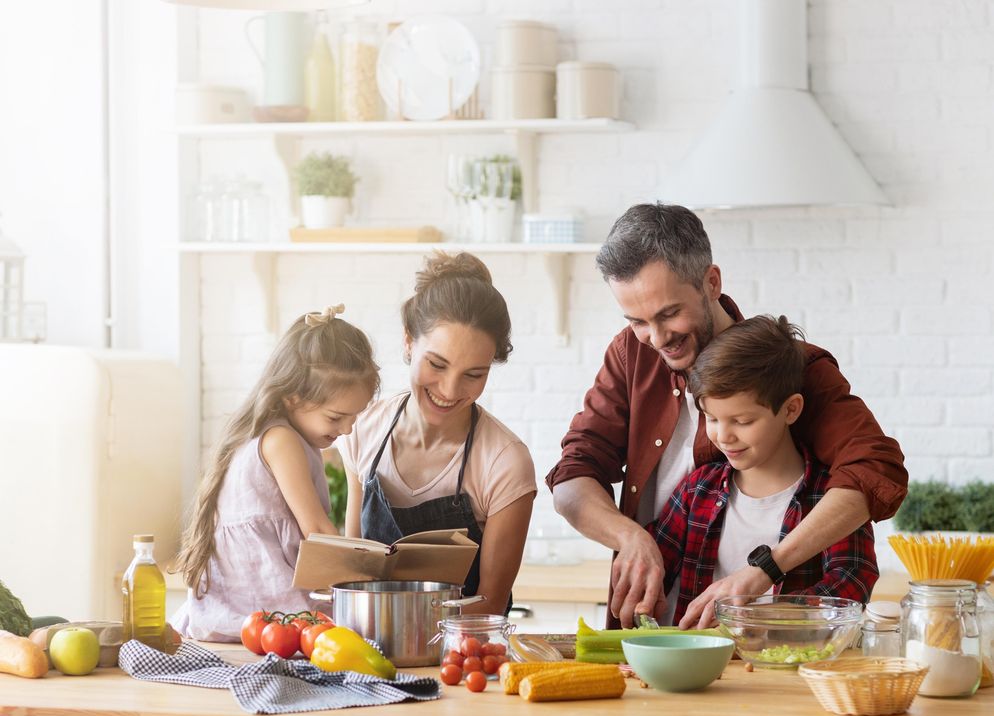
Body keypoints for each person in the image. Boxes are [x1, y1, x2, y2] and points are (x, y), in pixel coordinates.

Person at [546, 203, 907, 629]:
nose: (657, 338)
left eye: (668, 314)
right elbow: (572, 477)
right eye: (637, 321)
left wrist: (765, 573)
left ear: (711, 282)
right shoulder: (631, 353)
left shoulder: (791, 368)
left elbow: (874, 469)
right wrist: (630, 538)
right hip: (663, 633)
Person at [648, 315, 879, 626]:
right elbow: (655, 571)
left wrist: (758, 618)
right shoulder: (696, 490)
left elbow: (852, 582)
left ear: (790, 409)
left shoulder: (830, 498)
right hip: (697, 669)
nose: (723, 436)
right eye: (712, 418)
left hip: (790, 668)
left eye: (742, 421)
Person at [340, 252, 536, 617]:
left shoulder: (505, 461)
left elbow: (490, 605)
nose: (449, 389)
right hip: (368, 650)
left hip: (462, 656)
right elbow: (354, 572)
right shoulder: (362, 430)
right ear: (408, 342)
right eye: (437, 364)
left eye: (474, 374)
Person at [171, 305, 379, 641]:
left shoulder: (277, 433)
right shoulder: (281, 440)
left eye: (354, 417)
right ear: (293, 397)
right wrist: (361, 580)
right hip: (264, 606)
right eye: (336, 417)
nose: (347, 428)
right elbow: (316, 529)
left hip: (243, 607)